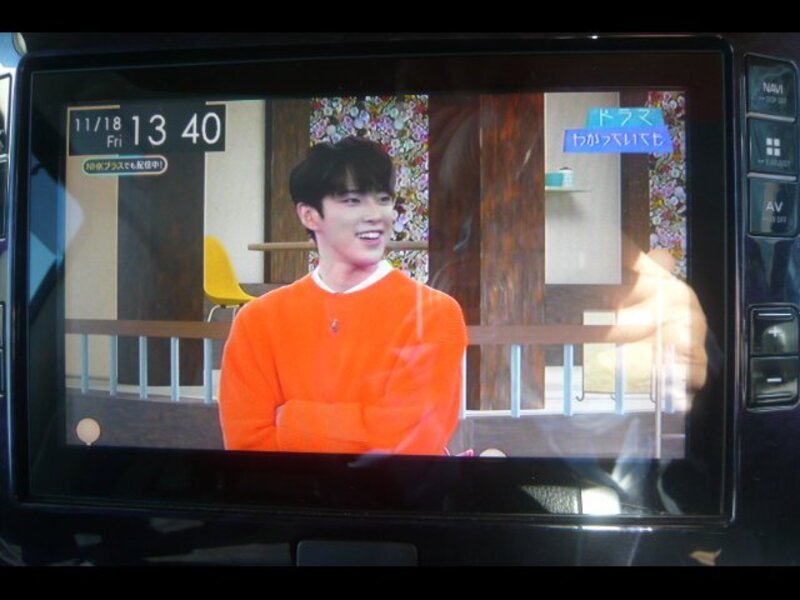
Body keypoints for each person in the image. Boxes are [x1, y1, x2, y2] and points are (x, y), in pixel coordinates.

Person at [218, 136, 468, 455]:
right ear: (310, 216)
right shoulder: (257, 321)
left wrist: (292, 421)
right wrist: (364, 428)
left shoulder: (433, 313)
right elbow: (246, 445)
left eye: (383, 199)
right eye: (353, 200)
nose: (376, 214)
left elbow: (410, 443)